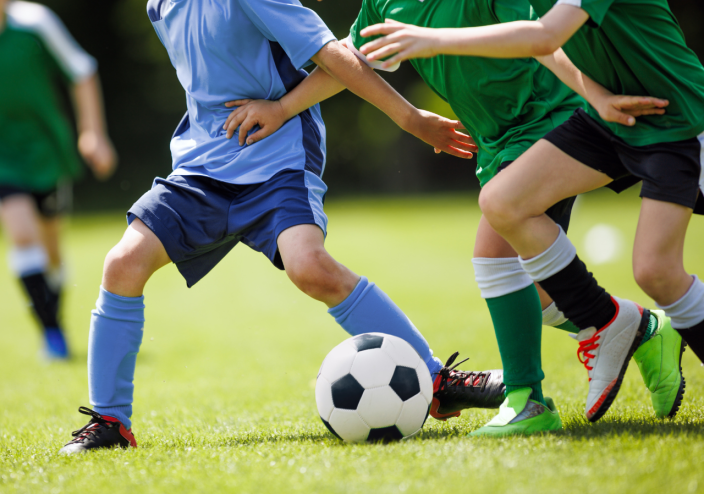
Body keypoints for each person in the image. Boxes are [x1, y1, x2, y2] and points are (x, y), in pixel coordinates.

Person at [58, 0, 504, 454]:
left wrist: (409, 118)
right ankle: (111, 422)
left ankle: (435, 379)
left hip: (279, 162)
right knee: (122, 264)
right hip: (200, 171)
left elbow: (336, 55)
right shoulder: (159, 7)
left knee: (311, 268)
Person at [221, 0, 684, 435]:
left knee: (494, 256)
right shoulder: (384, 2)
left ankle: (528, 401)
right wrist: (283, 108)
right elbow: (352, 59)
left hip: (550, 120)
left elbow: (543, 40)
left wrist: (592, 93)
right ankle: (635, 326)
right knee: (538, 297)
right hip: (496, 141)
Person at [357, 0, 704, 422]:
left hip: (674, 121)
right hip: (608, 119)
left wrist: (431, 40)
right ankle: (614, 323)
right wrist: (595, 94)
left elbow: (542, 36)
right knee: (509, 218)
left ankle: (550, 378)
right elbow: (544, 38)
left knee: (655, 272)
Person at [0, 0, 116, 359]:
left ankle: (53, 318)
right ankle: (51, 334)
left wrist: (93, 131)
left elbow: (82, 72)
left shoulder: (36, 23)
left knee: (51, 249)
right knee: (22, 234)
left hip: (45, 150)